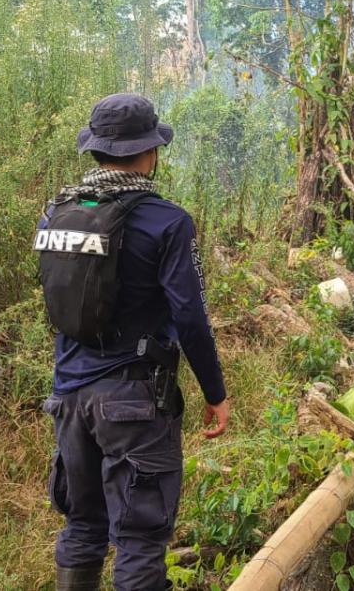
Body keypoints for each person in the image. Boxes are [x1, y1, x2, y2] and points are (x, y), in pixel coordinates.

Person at [36, 93, 230, 591]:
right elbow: (190, 316)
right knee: (140, 540)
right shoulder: (167, 222)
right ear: (150, 153)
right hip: (134, 405)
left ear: (97, 150)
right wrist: (215, 393)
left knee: (82, 525)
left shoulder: (57, 213)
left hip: (68, 398)